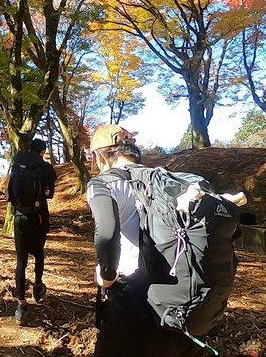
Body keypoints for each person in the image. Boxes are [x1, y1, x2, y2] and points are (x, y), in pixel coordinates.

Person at [87, 125, 207, 357]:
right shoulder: (165, 180)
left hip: (133, 297)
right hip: (182, 298)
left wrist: (107, 276)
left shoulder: (104, 183)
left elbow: (106, 233)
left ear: (100, 156)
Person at [11, 139, 57, 326]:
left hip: (19, 217)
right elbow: (50, 194)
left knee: (21, 261)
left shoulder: (18, 164)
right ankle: (37, 287)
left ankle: (21, 305)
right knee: (38, 253)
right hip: (38, 217)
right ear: (42, 151)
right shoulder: (44, 167)